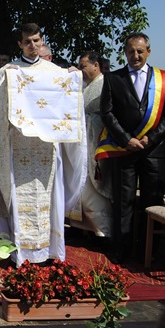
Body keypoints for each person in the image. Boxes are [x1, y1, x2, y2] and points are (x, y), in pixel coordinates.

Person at [0, 23, 87, 266]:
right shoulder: (11, 71)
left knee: (47, 198)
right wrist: (4, 84)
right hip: (19, 146)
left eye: (37, 40)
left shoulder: (55, 71)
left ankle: (48, 250)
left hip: (47, 148)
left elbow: (68, 103)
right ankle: (21, 251)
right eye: (28, 41)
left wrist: (73, 77)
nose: (33, 45)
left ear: (42, 41)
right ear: (20, 44)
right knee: (20, 198)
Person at [97, 32, 165, 263]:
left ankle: (151, 251)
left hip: (153, 151)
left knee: (152, 201)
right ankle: (123, 251)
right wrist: (126, 139)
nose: (136, 55)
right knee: (124, 202)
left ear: (148, 52)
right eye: (131, 51)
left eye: (140, 51)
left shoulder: (164, 78)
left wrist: (151, 138)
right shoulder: (113, 78)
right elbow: (107, 112)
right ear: (125, 53)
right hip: (125, 150)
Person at [67, 51, 112, 237]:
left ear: (96, 65)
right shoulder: (85, 87)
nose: (80, 70)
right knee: (83, 190)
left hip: (97, 145)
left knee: (95, 193)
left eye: (83, 66)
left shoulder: (105, 85)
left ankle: (104, 232)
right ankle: (85, 229)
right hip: (83, 146)